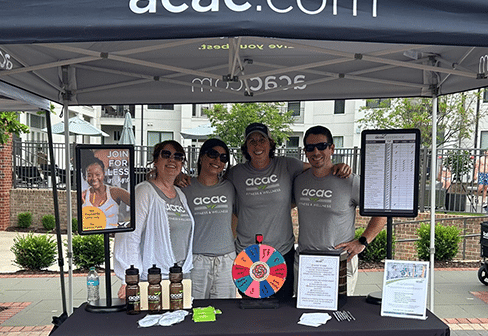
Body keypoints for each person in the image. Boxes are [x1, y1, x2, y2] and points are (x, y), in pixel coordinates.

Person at [225, 123, 350, 302]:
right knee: (251, 308)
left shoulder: (287, 165)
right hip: (249, 253)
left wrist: (338, 165)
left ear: (270, 143)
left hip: (281, 251)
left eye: (262, 140)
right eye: (252, 141)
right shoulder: (236, 173)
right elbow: (215, 187)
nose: (257, 145)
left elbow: (318, 167)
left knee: (283, 306)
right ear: (246, 146)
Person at [294, 126, 385, 296]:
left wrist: (363, 242)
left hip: (340, 261)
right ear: (305, 152)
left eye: (321, 146)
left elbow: (381, 211)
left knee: (340, 311)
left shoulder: (350, 181)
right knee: (304, 311)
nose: (316, 152)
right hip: (306, 262)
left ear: (332, 148)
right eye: (310, 148)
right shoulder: (299, 181)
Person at [114, 141, 194, 297]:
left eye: (178, 157)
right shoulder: (144, 191)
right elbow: (129, 236)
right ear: (156, 161)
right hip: (153, 279)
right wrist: (129, 278)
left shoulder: (180, 194)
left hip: (180, 276)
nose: (172, 160)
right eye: (166, 154)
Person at [182, 138, 238, 299]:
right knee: (195, 308)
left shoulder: (230, 186)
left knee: (225, 310)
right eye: (213, 154)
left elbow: (236, 215)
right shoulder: (185, 187)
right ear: (201, 157)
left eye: (223, 158)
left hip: (226, 260)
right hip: (196, 260)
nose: (217, 160)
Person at [79, 156, 131, 230]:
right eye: (89, 175)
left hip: (111, 236)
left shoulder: (115, 192)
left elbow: (137, 206)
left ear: (103, 174)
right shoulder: (83, 196)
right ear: (85, 177)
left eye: (97, 174)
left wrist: (130, 224)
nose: (94, 178)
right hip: (92, 236)